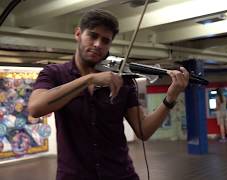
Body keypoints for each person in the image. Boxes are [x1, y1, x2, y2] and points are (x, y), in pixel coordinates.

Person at [27, 9, 189, 180]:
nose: (98, 44)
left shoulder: (122, 80)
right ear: (78, 34)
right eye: (93, 36)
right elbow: (36, 108)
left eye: (105, 40)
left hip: (120, 175)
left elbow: (144, 131)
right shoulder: (54, 73)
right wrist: (88, 80)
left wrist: (170, 97)